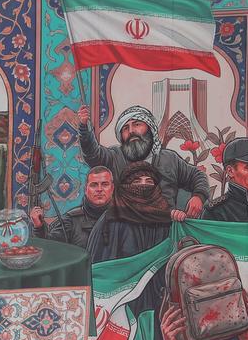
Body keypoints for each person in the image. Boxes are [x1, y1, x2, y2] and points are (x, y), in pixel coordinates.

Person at [78, 104, 208, 217]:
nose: (131, 131)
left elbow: (197, 175)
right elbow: (93, 154)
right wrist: (84, 129)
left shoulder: (169, 159)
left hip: (164, 229)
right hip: (127, 230)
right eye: (125, 128)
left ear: (149, 128)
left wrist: (199, 197)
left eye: (137, 124)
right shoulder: (115, 157)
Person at [86, 162, 174, 264]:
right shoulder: (111, 219)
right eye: (137, 181)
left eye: (149, 182)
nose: (143, 185)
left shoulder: (165, 219)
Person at [29, 165, 113, 249]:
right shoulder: (70, 221)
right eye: (94, 185)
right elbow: (48, 248)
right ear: (86, 189)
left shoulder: (122, 218)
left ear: (112, 188)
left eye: (105, 184)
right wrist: (38, 227)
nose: (99, 189)